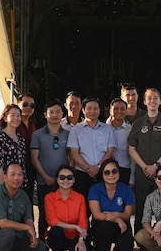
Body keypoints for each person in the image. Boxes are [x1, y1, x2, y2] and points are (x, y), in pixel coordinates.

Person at [127, 88, 161, 251]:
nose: (152, 101)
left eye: (155, 98)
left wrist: (155, 166)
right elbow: (131, 148)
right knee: (142, 209)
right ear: (144, 101)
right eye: (149, 98)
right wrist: (145, 167)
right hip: (143, 174)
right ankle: (143, 246)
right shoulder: (138, 123)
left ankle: (160, 247)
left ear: (160, 101)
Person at [30, 99, 71, 238]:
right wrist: (46, 177)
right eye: (51, 112)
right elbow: (34, 158)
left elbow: (71, 157)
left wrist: (67, 178)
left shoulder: (68, 134)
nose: (54, 115)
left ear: (62, 114)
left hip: (64, 182)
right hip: (44, 181)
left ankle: (63, 246)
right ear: (45, 114)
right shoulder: (37, 134)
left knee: (64, 214)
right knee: (44, 214)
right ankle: (42, 245)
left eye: (58, 112)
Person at [87, 159, 135, 251]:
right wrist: (117, 218)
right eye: (107, 172)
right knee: (105, 228)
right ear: (102, 174)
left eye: (114, 171)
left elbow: (128, 214)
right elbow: (97, 215)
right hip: (102, 224)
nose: (111, 175)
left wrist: (116, 216)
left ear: (119, 172)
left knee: (126, 246)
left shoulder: (126, 189)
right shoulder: (95, 189)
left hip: (121, 224)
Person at [67, 97, 116, 200]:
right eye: (89, 108)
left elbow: (110, 151)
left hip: (103, 173)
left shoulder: (107, 129)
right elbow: (74, 153)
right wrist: (89, 169)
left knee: (101, 206)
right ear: (83, 110)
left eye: (95, 108)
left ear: (99, 110)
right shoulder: (76, 130)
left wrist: (98, 167)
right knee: (82, 208)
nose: (92, 111)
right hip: (82, 174)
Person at [44, 166, 88, 251]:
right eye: (62, 177)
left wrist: (81, 240)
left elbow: (83, 222)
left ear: (74, 180)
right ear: (57, 180)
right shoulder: (49, 197)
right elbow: (52, 221)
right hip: (59, 235)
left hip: (75, 236)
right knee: (56, 231)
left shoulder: (80, 198)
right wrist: (75, 227)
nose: (66, 180)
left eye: (69, 177)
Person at [0, 104, 27, 192]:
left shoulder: (21, 138)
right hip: (5, 186)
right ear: (5, 118)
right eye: (13, 115)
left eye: (18, 115)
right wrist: (6, 190)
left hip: (20, 184)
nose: (16, 118)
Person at [17, 93, 37, 202]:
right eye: (25, 104)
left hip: (30, 170)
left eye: (32, 106)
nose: (28, 107)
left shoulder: (33, 125)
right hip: (16, 171)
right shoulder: (13, 125)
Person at [107, 98, 133, 184]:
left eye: (122, 109)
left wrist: (132, 180)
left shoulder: (130, 130)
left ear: (126, 111)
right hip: (106, 170)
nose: (119, 111)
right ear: (110, 111)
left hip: (124, 170)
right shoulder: (103, 129)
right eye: (116, 109)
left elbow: (133, 157)